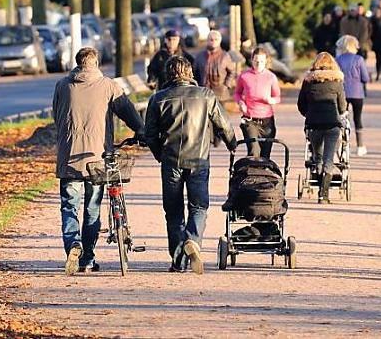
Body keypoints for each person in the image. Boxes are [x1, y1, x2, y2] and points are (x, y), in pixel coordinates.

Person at [52, 47, 145, 275]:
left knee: (69, 206)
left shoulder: (63, 85)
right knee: (92, 209)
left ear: (77, 63)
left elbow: (56, 115)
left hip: (68, 158)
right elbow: (128, 112)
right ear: (96, 63)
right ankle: (88, 260)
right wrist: (142, 132)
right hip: (97, 159)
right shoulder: (108, 86)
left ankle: (74, 245)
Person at [144, 55, 237, 273]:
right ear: (190, 73)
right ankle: (193, 240)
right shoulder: (205, 95)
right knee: (199, 206)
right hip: (199, 159)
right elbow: (223, 125)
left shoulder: (158, 99)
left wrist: (161, 154)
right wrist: (232, 143)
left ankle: (178, 261)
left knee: (173, 211)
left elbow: (149, 134)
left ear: (169, 74)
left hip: (171, 160)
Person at [297, 52, 347, 204]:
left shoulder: (308, 82)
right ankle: (323, 195)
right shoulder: (337, 82)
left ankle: (319, 186)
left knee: (317, 157)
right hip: (332, 124)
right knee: (329, 158)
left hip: (313, 125)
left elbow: (301, 104)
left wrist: (309, 114)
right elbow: (342, 106)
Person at [234, 46, 281, 158]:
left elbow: (277, 96)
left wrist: (271, 100)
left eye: (261, 61)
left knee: (265, 155)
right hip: (250, 119)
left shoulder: (271, 77)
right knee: (254, 152)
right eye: (256, 61)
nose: (258, 64)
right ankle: (251, 174)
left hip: (267, 120)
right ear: (252, 60)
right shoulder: (244, 76)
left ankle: (263, 174)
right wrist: (241, 103)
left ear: (266, 61)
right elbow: (237, 93)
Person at [335, 35, 370, 156]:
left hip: (342, 93)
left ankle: (343, 144)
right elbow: (365, 78)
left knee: (342, 117)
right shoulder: (359, 59)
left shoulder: (338, 59)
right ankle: (360, 146)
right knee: (358, 118)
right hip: (357, 93)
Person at [193, 29, 236, 107]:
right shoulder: (200, 56)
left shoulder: (225, 56)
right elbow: (194, 72)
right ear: (207, 41)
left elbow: (232, 71)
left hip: (221, 95)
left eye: (216, 39)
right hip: (204, 94)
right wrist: (198, 86)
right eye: (211, 39)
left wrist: (226, 85)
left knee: (220, 118)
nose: (213, 41)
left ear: (219, 41)